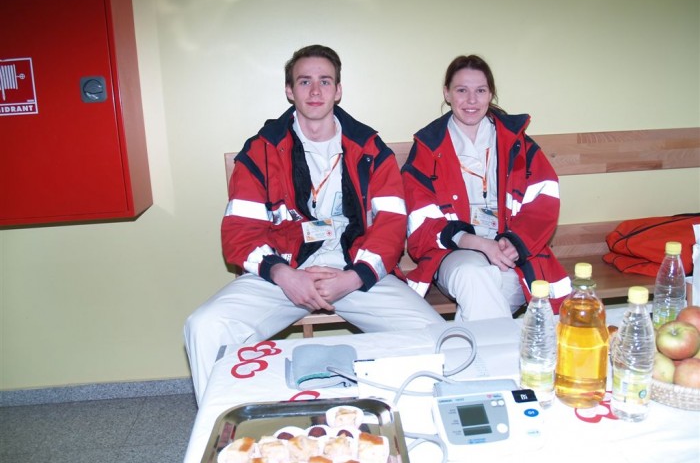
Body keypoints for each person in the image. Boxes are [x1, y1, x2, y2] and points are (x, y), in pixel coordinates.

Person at [184, 45, 444, 403]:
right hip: (285, 272)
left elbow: (391, 225)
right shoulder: (261, 150)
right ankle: (224, 427)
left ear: (338, 90)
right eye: (305, 81)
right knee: (205, 327)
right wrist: (284, 275)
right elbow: (239, 232)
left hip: (354, 271)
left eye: (325, 81)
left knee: (435, 338)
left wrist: (354, 277)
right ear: (289, 91)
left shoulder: (370, 149)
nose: (316, 91)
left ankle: (411, 415)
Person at [401, 54, 571, 322]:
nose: (471, 100)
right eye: (461, 90)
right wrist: (477, 243)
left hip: (510, 255)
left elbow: (543, 200)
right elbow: (420, 223)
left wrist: (516, 243)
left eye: (480, 91)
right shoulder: (428, 147)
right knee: (472, 275)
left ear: (491, 94)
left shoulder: (517, 143)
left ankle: (469, 348)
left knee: (481, 295)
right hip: (456, 253)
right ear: (447, 94)